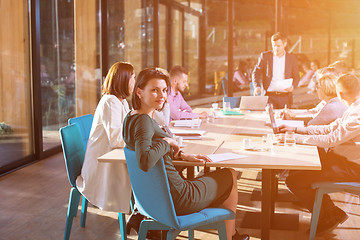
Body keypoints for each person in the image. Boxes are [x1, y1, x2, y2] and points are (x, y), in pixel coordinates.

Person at [122, 68, 249, 240]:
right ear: (139, 92)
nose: (162, 95)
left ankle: (227, 231)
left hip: (155, 200)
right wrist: (166, 142)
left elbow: (152, 153)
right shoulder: (144, 121)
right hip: (179, 198)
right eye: (154, 90)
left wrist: (181, 156)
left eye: (165, 90)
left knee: (217, 179)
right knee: (230, 175)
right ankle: (231, 236)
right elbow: (145, 161)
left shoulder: (131, 118)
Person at [278, 73, 360, 235]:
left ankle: (329, 215)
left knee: (294, 180)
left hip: (352, 168)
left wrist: (295, 138)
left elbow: (331, 139)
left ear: (340, 94)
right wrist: (296, 130)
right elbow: (328, 128)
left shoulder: (356, 115)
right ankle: (330, 213)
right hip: (341, 161)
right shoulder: (353, 107)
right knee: (301, 171)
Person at [76, 62, 135, 213]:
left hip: (108, 159)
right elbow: (116, 139)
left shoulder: (121, 102)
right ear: (123, 80)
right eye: (132, 77)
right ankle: (142, 215)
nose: (134, 81)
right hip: (100, 167)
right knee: (145, 172)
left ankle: (141, 214)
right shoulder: (110, 102)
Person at [252, 32, 300, 109]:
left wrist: (293, 86)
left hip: (285, 97)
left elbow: (296, 77)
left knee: (284, 120)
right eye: (274, 46)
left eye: (278, 46)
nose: (276, 48)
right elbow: (256, 72)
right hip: (269, 97)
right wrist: (257, 86)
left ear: (285, 44)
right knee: (269, 120)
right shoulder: (265, 56)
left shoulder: (291, 58)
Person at [282, 74, 347, 126]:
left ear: (325, 89)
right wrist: (292, 118)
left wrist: (291, 120)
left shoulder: (331, 106)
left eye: (318, 87)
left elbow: (310, 125)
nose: (316, 90)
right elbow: (314, 119)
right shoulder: (335, 102)